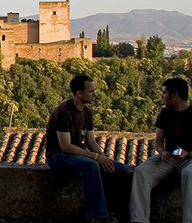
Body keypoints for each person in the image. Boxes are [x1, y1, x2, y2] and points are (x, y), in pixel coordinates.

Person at [45, 74, 129, 223]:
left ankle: (112, 212)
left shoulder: (87, 112)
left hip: (79, 154)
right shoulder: (63, 112)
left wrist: (104, 159)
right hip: (58, 156)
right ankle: (96, 216)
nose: (94, 94)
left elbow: (91, 141)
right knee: (91, 166)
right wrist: (96, 158)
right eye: (90, 91)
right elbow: (66, 146)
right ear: (79, 93)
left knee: (119, 169)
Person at [129, 77, 192, 223]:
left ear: (175, 95)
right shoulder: (165, 114)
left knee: (190, 174)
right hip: (171, 158)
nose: (162, 96)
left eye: (164, 93)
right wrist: (162, 151)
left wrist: (189, 154)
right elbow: (158, 141)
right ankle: (139, 219)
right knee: (141, 172)